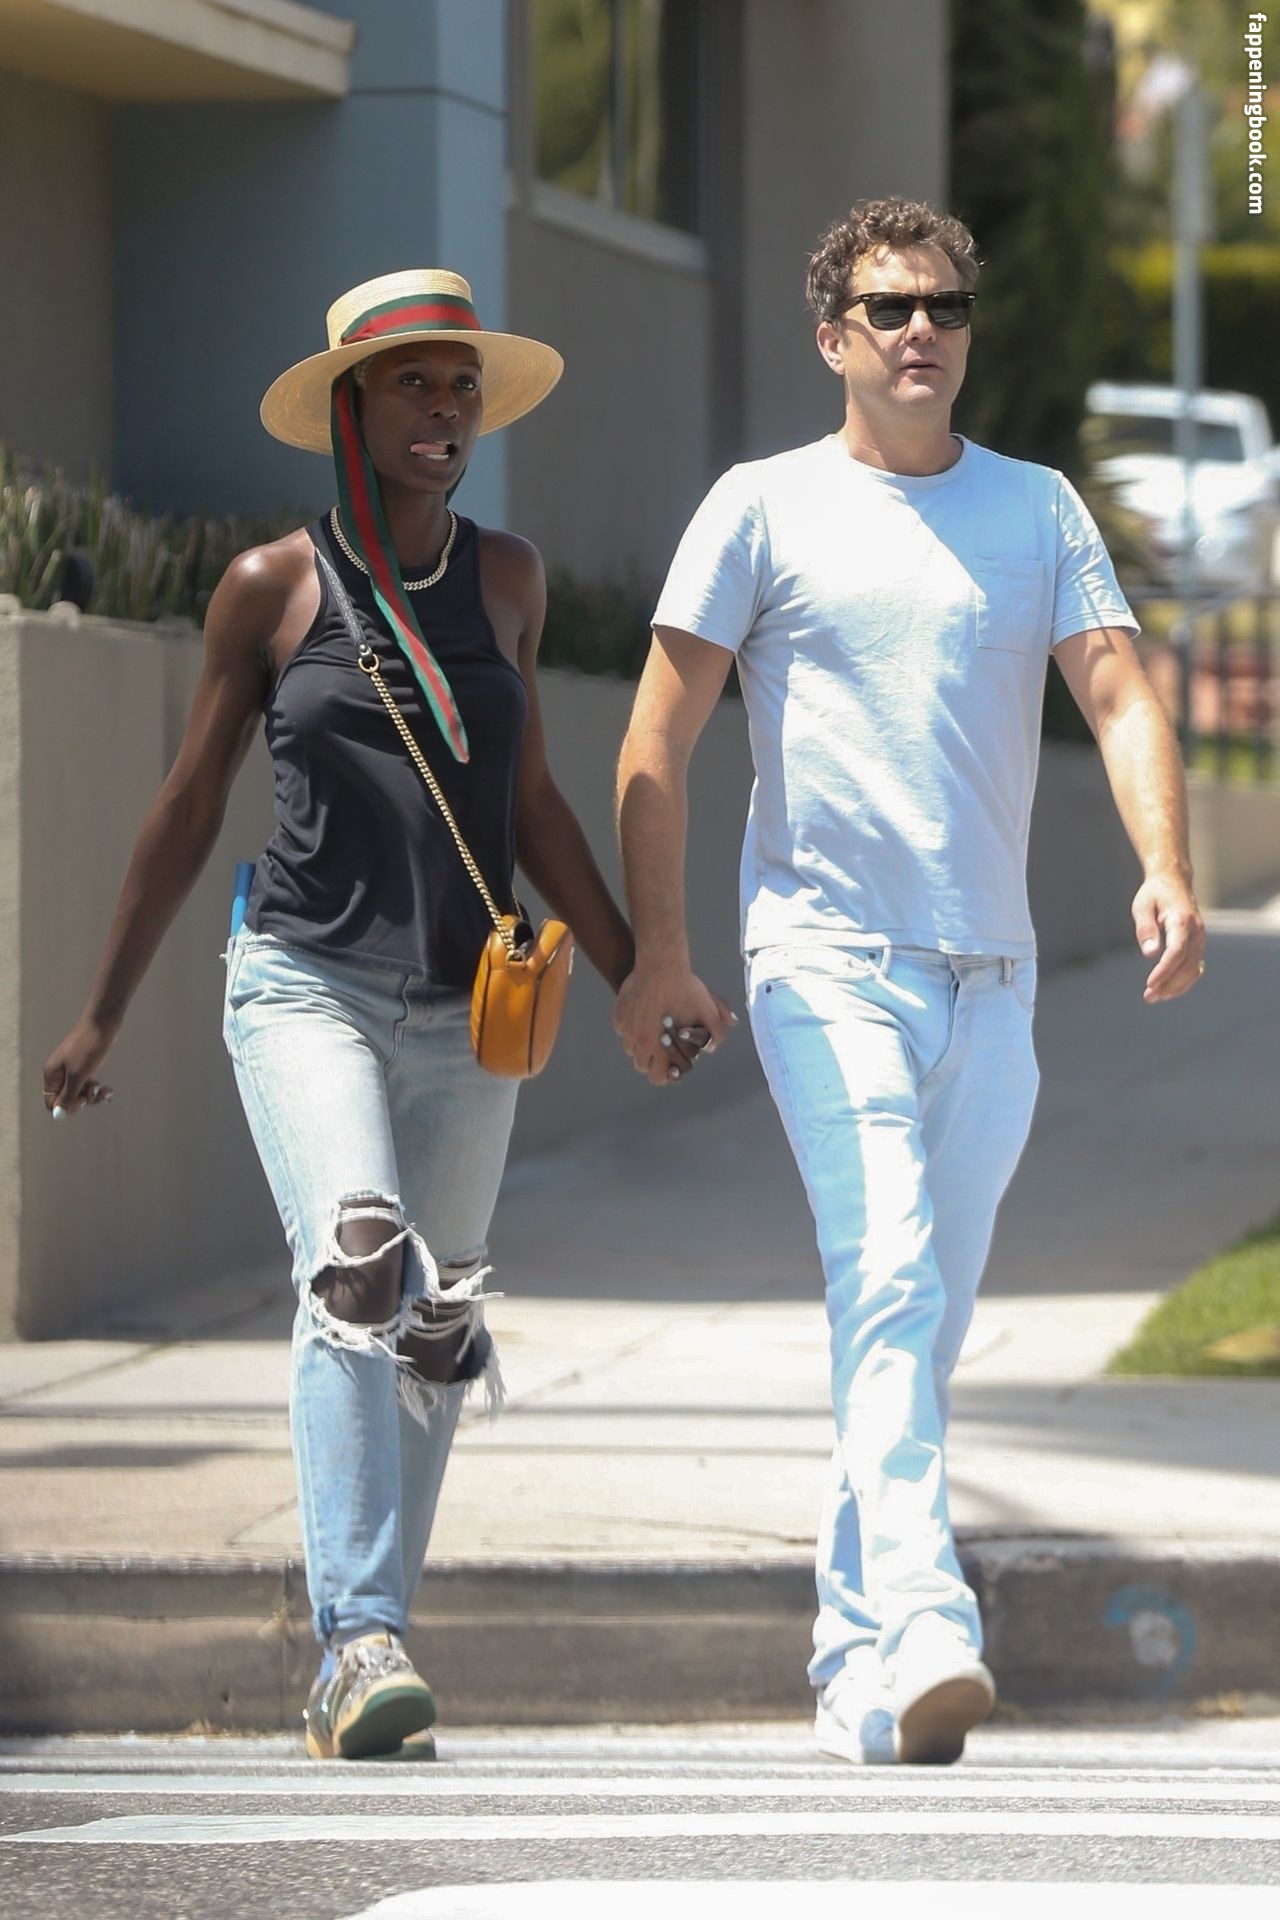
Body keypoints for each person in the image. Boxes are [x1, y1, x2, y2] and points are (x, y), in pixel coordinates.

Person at [614, 199, 1206, 1766]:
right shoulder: (760, 508)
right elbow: (657, 738)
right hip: (824, 960)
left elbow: (1120, 697)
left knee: (917, 1327)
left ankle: (851, 1661)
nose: (923, 329)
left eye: (945, 305)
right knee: (885, 1276)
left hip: (993, 983)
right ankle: (934, 1618)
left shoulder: (1037, 509)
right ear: (834, 337)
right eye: (890, 308)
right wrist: (660, 950)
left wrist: (1166, 863)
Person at [42, 268, 649, 1760]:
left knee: (440, 1326)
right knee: (362, 1263)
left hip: (470, 1011)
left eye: (462, 386)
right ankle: (355, 1643)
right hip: (305, 981)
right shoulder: (273, 586)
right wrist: (103, 1009)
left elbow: (532, 798)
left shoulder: (509, 580)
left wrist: (639, 970)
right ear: (348, 409)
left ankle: (380, 1636)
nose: (446, 410)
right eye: (413, 384)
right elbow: (190, 804)